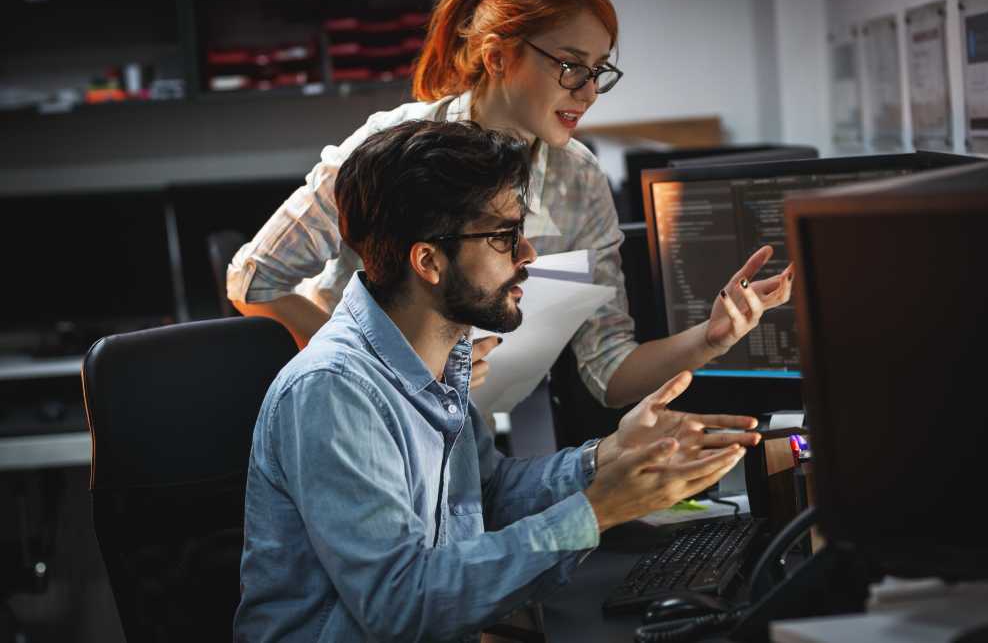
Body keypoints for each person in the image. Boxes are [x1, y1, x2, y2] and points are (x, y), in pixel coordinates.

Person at [233, 119, 761, 642]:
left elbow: (486, 495)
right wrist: (598, 510)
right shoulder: (335, 390)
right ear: (429, 261)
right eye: (506, 236)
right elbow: (402, 603)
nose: (528, 255)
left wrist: (605, 458)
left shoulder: (437, 357)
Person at [227, 0, 793, 409]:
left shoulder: (580, 178)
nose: (588, 91)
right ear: (498, 56)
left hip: (466, 431)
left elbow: (610, 373)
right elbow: (253, 280)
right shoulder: (394, 144)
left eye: (598, 71)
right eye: (571, 65)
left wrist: (713, 337)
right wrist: (386, 369)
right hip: (347, 413)